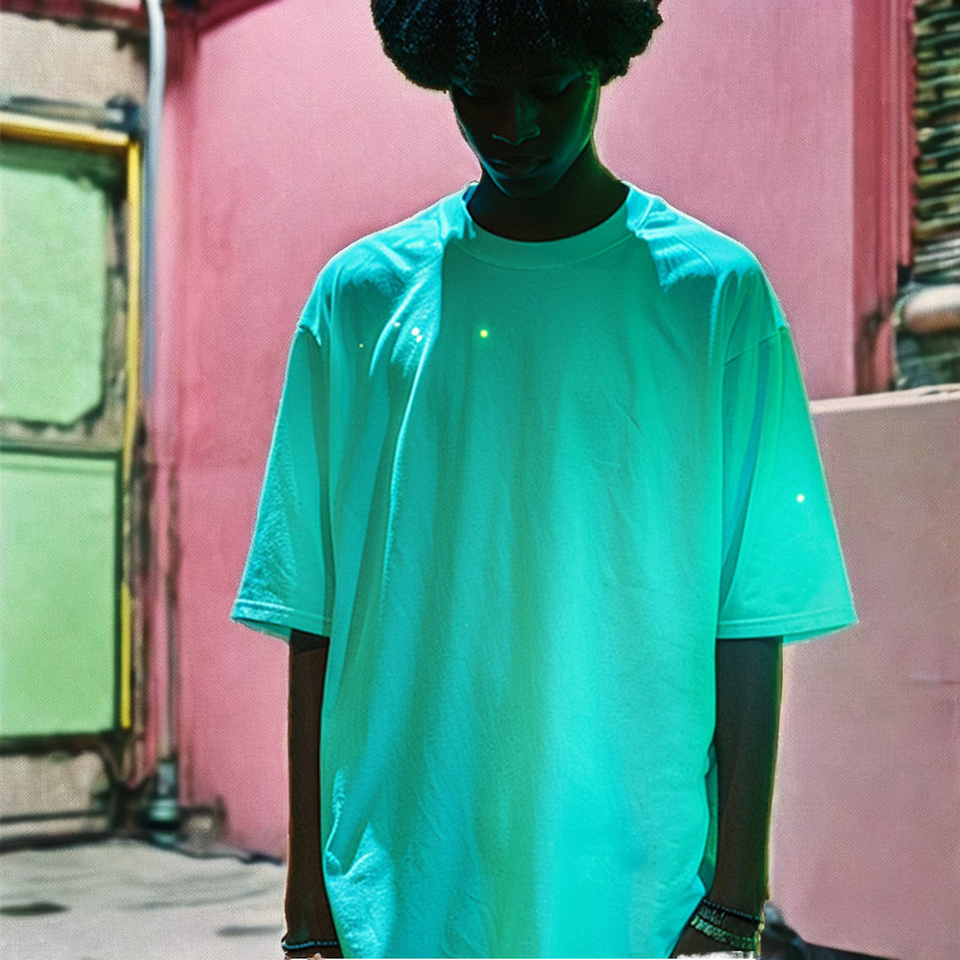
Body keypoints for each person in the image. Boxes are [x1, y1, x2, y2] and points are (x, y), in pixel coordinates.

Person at [231, 1, 858, 956]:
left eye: (551, 88)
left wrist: (736, 900)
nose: (514, 125)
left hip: (635, 894)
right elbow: (312, 619)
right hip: (403, 888)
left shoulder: (714, 296)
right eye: (478, 92)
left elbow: (751, 617)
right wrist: (307, 904)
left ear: (603, 61)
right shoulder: (358, 300)